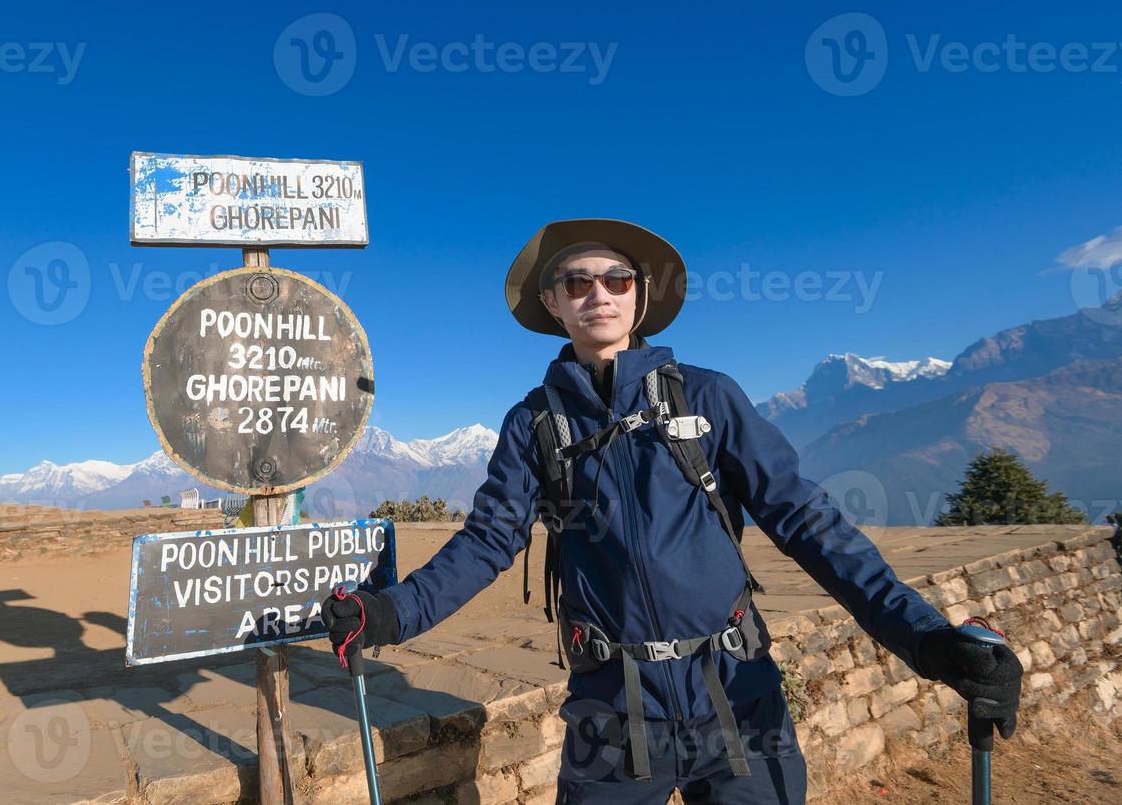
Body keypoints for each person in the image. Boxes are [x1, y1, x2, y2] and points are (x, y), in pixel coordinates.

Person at [323, 219, 1023, 804]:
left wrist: (925, 638)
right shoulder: (532, 424)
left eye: (615, 280)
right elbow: (486, 542)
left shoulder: (707, 398)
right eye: (576, 283)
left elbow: (808, 524)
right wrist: (390, 613)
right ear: (553, 304)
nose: (597, 294)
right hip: (610, 711)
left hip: (739, 696)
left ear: (640, 296)